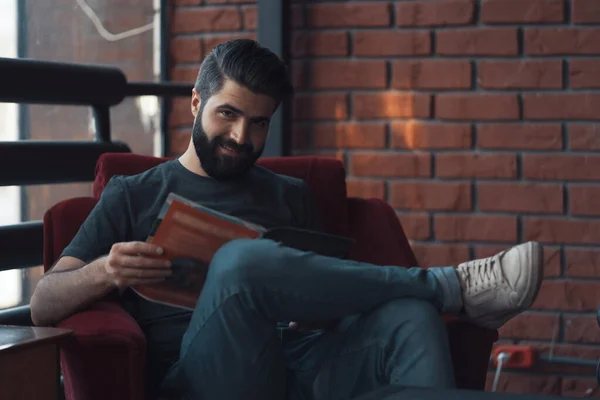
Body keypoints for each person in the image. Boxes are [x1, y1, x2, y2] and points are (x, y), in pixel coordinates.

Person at [30, 39, 544, 400]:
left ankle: (429, 293)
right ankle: (446, 284)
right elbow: (42, 303)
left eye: (258, 123)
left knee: (410, 315)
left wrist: (312, 310)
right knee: (240, 264)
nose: (240, 137)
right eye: (227, 114)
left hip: (302, 364)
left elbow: (329, 299)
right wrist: (107, 271)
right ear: (195, 102)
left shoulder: (291, 196)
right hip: (211, 377)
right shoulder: (133, 194)